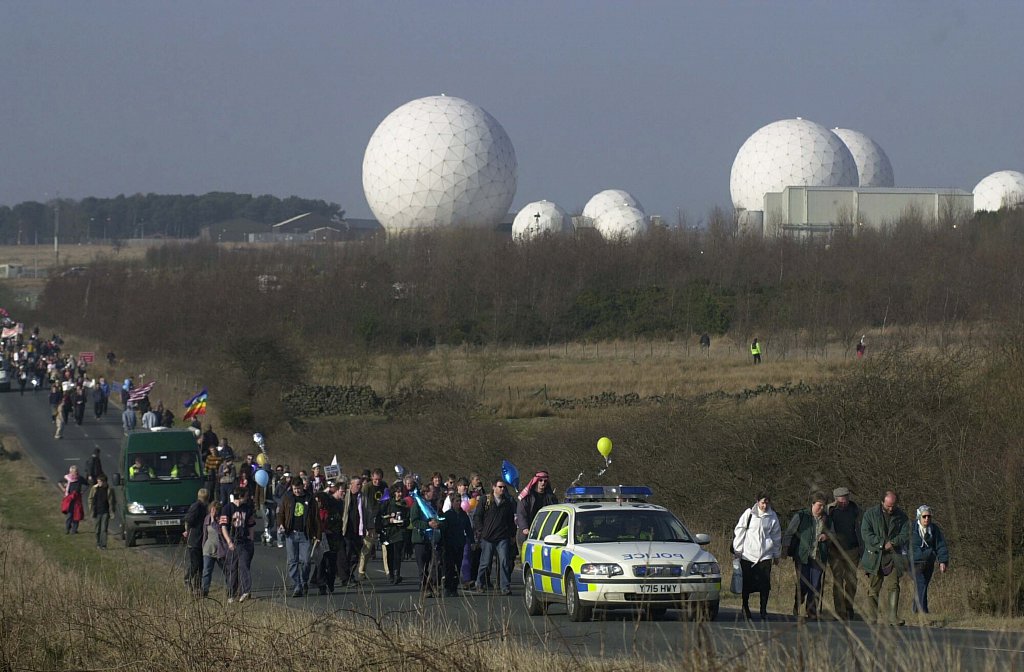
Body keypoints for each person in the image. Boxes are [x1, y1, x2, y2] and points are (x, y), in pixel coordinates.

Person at [860, 490, 910, 626]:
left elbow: (905, 534)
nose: (891, 508)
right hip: (875, 556)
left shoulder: (902, 516)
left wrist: (893, 543)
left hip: (894, 556)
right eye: (888, 506)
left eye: (893, 505)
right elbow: (865, 534)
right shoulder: (870, 514)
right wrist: (881, 543)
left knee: (894, 586)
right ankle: (872, 617)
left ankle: (893, 617)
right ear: (882, 502)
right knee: (874, 587)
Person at [732, 493, 782, 621]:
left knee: (765, 584)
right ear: (757, 502)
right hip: (748, 555)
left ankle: (763, 610)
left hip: (765, 555)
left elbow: (776, 536)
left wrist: (776, 554)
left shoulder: (772, 516)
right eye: (762, 502)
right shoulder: (749, 514)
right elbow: (739, 531)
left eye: (767, 503)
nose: (765, 505)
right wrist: (738, 550)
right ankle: (745, 607)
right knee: (747, 583)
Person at [784, 491, 831, 619]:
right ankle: (797, 603)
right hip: (802, 555)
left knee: (815, 585)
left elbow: (833, 534)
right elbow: (789, 532)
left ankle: (811, 611)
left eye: (823, 506)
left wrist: (827, 536)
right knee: (803, 583)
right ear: (812, 504)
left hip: (819, 556)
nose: (821, 508)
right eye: (818, 505)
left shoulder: (827, 519)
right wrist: (784, 550)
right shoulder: (801, 516)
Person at [474, 478, 517, 596]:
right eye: (500, 487)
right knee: (485, 562)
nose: (502, 489)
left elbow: (511, 521)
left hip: (502, 537)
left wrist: (512, 534)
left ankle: (505, 586)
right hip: (488, 537)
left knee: (504, 562)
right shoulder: (485, 500)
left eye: (503, 487)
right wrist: (481, 531)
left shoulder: (507, 502)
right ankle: (479, 583)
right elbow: (477, 516)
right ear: (494, 487)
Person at [278, 477, 319, 598]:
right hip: (291, 534)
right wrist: (281, 524)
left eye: (299, 488)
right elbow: (281, 514)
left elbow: (316, 518)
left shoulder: (310, 499)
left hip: (305, 534)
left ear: (303, 486)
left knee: (306, 561)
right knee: (292, 562)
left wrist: (318, 534)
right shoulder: (287, 497)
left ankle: (304, 580)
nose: (297, 491)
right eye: (295, 489)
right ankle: (297, 585)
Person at [827, 486, 863, 620]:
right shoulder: (829, 511)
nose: (843, 503)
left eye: (845, 500)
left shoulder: (856, 510)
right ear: (835, 500)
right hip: (835, 551)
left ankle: (849, 607)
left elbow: (860, 529)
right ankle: (840, 611)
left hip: (852, 549)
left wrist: (862, 548)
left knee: (852, 580)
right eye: (840, 501)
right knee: (838, 580)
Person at [910, 505, 949, 614]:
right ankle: (923, 611)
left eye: (929, 516)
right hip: (915, 562)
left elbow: (940, 545)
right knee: (921, 583)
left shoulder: (934, 529)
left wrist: (943, 561)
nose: (927, 519)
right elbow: (905, 544)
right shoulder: (911, 528)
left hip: (929, 562)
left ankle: (916, 610)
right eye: (924, 516)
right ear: (919, 517)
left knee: (923, 585)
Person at [219, 487, 256, 603]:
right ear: (240, 496)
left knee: (244, 565)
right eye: (246, 495)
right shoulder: (227, 508)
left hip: (244, 541)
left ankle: (246, 591)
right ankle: (231, 594)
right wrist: (229, 541)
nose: (247, 497)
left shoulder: (248, 509)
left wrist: (251, 539)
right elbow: (223, 527)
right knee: (232, 568)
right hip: (232, 541)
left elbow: (251, 525)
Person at [516, 470, 558, 550]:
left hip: (545, 532)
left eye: (545, 481)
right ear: (536, 481)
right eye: (540, 480)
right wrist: (525, 528)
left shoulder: (551, 497)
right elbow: (521, 513)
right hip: (527, 532)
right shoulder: (527, 497)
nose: (543, 483)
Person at [360, 468, 389, 580]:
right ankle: (361, 570)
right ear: (372, 477)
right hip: (370, 518)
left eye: (379, 479)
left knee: (385, 546)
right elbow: (363, 504)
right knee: (367, 546)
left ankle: (388, 571)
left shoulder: (384, 485)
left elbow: (387, 499)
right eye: (375, 479)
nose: (377, 482)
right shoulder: (367, 487)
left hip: (381, 517)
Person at [339, 477, 368, 587]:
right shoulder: (345, 496)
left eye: (361, 484)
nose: (360, 486)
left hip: (358, 531)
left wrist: (369, 527)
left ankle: (350, 575)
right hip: (347, 530)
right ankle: (345, 578)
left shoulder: (362, 497)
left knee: (356, 555)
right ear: (351, 485)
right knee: (347, 554)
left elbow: (367, 512)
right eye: (358, 484)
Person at [380, 480, 410, 584]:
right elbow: (380, 518)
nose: (399, 494)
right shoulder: (387, 503)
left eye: (401, 492)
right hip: (388, 533)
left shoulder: (404, 504)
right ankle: (391, 574)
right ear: (393, 493)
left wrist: (403, 522)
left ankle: (397, 574)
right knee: (390, 554)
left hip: (399, 532)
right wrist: (389, 520)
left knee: (398, 554)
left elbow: (407, 519)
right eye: (397, 492)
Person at [183, 488, 210, 593]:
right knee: (195, 563)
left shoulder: (203, 507)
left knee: (201, 565)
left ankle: (197, 586)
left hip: (199, 539)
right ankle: (187, 578)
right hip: (195, 539)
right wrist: (189, 530)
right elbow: (189, 519)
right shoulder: (197, 507)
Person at [200, 500, 223, 598]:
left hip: (220, 550)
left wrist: (214, 520)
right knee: (206, 571)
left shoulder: (221, 519)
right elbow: (205, 534)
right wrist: (203, 546)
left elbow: (220, 531)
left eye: (215, 510)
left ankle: (232, 590)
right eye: (212, 509)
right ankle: (204, 590)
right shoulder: (207, 519)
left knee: (226, 570)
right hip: (209, 549)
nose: (213, 512)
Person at [87, 473, 116, 549]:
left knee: (104, 529)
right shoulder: (94, 489)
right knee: (97, 529)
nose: (98, 483)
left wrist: (112, 511)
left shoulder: (109, 490)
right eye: (98, 481)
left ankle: (104, 545)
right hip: (97, 512)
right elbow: (90, 499)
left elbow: (113, 501)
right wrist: (91, 508)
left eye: (100, 482)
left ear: (104, 482)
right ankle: (98, 543)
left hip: (105, 512)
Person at [62, 465, 86, 534]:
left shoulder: (80, 478)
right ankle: (67, 529)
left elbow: (87, 484)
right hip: (69, 498)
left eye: (75, 472)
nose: (74, 473)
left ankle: (74, 530)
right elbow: (60, 482)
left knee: (77, 514)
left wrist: (83, 491)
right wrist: (63, 488)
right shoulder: (67, 478)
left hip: (77, 499)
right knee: (69, 514)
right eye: (72, 472)